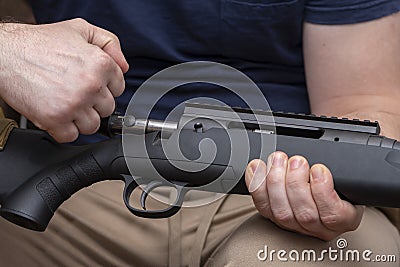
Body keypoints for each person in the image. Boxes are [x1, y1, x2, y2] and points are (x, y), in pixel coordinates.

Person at [0, 0, 399, 266]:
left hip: (265, 197)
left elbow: (364, 100)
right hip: (73, 182)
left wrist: (321, 191)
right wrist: (9, 50)